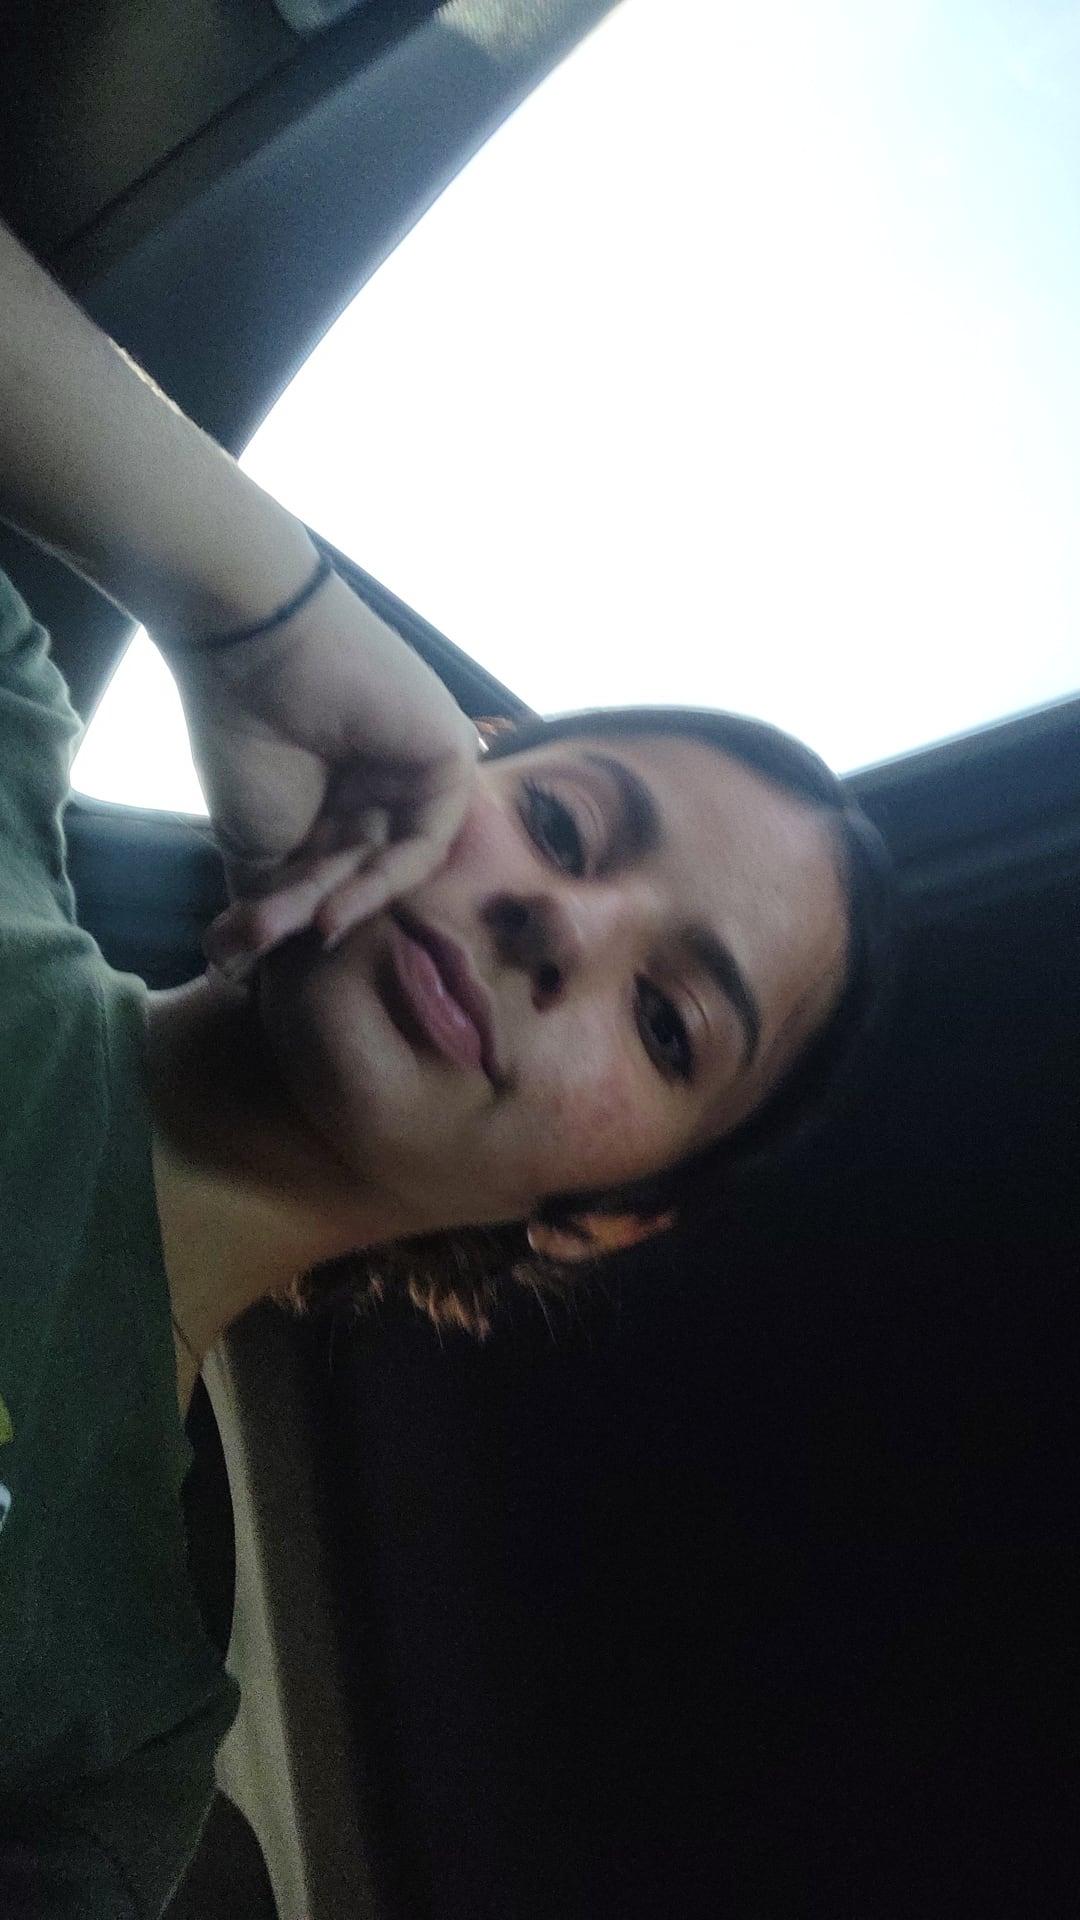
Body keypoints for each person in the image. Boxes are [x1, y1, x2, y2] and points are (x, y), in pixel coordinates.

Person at [0, 221, 899, 1913]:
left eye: (666, 1024)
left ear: (598, 1217)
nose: (565, 926)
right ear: (438, 753)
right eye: (559, 823)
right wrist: (254, 615)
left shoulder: (117, 1738)